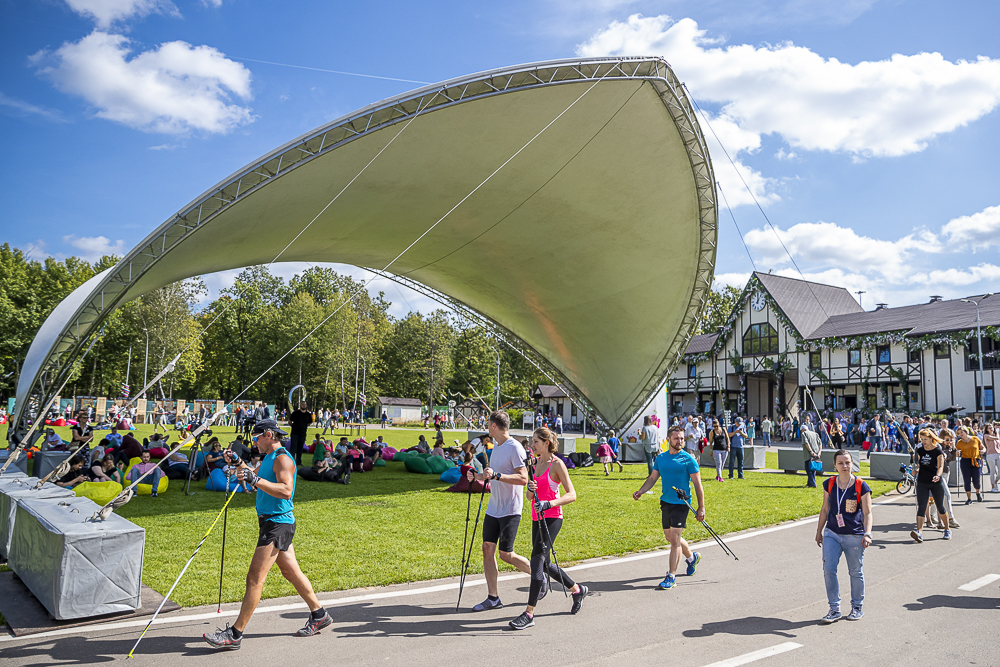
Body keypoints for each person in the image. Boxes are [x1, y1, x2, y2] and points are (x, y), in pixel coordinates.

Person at [204, 419, 331, 650]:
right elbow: (255, 477)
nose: (254, 441)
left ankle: (235, 634)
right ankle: (319, 614)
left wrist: (255, 479)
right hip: (272, 522)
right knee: (290, 571)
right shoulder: (268, 459)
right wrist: (239, 463)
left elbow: (286, 490)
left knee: (254, 578)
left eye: (256, 437)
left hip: (277, 524)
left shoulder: (283, 458)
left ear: (269, 434)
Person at [508, 427, 587, 629]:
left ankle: (529, 613)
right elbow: (529, 497)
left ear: (546, 443)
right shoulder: (535, 464)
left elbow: (572, 494)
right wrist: (530, 490)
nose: (531, 445)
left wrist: (548, 504)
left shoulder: (557, 464)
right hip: (537, 517)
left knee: (537, 560)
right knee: (543, 564)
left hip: (552, 517)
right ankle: (577, 589)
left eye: (535, 441)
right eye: (531, 441)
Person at [467, 411, 530, 611]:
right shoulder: (497, 447)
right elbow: (492, 475)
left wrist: (497, 476)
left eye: (488, 424)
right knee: (487, 548)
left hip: (511, 508)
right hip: (494, 507)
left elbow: (523, 479)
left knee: (505, 554)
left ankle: (538, 575)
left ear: (494, 426)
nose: (486, 428)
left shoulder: (515, 447)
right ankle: (493, 598)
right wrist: (476, 476)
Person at [632, 424, 705, 589]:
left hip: (682, 503)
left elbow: (698, 485)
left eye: (681, 438)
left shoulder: (689, 459)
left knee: (675, 541)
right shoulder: (661, 458)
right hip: (666, 502)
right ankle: (692, 557)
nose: (680, 441)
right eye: (676, 438)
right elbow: (652, 479)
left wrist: (701, 508)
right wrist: (641, 491)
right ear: (668, 439)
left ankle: (671, 576)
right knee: (670, 538)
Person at [815, 449, 873, 623]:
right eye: (840, 463)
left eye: (847, 462)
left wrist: (868, 533)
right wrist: (819, 531)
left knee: (855, 572)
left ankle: (857, 607)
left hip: (854, 535)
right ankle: (834, 609)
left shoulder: (861, 486)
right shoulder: (829, 483)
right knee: (828, 569)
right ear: (835, 465)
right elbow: (825, 509)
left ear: (852, 463)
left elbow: (867, 512)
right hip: (832, 532)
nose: (844, 466)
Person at [910, 429, 951, 543]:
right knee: (921, 507)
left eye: (925, 439)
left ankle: (947, 529)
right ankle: (919, 532)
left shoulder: (938, 451)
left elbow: (940, 466)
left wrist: (938, 476)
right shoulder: (920, 450)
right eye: (922, 439)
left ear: (931, 438)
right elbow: (918, 464)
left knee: (940, 507)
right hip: (922, 481)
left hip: (935, 482)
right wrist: (916, 470)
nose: (923, 442)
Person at [955, 426, 986, 504]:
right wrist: (957, 453)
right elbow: (957, 453)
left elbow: (983, 448)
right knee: (967, 480)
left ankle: (978, 493)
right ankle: (969, 498)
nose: (960, 434)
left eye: (962, 432)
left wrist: (983, 451)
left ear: (966, 432)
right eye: (959, 433)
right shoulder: (959, 443)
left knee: (976, 481)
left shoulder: (975, 439)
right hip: (965, 461)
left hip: (976, 460)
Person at [288, 402, 313, 466]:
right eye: (302, 405)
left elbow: (309, 422)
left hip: (302, 433)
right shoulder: (295, 413)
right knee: (293, 448)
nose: (304, 406)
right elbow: (290, 421)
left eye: (305, 405)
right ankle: (291, 461)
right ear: (300, 405)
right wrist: (294, 426)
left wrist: (304, 427)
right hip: (295, 433)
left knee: (300, 448)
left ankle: (298, 462)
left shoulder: (308, 414)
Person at [984, 424, 1000, 493]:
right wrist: (997, 433)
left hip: (998, 454)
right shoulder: (986, 435)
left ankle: (996, 481)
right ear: (987, 429)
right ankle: (993, 486)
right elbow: (996, 438)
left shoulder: (996, 434)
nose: (991, 429)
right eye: (989, 428)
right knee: (992, 471)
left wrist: (996, 432)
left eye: (992, 428)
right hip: (990, 454)